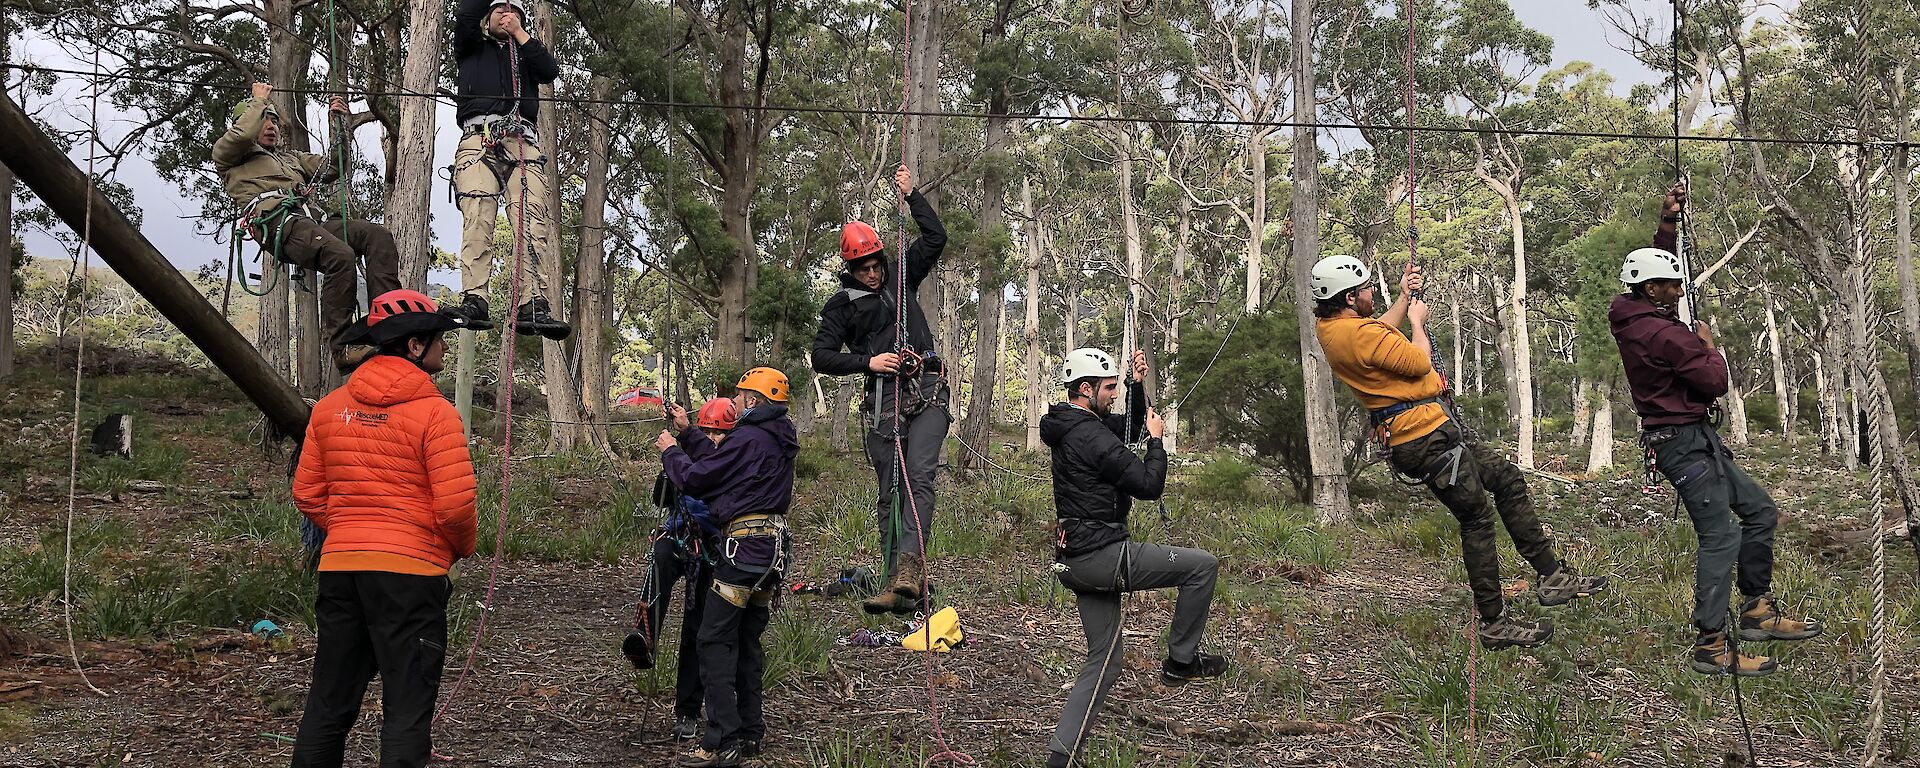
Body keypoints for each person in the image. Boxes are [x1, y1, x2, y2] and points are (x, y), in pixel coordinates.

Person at [1311, 255, 1608, 649]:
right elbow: (1418, 363)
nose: (1370, 294)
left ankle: (1550, 575)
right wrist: (1417, 322)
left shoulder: (1333, 328)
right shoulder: (1358, 334)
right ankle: (1493, 622)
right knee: (1477, 520)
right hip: (1424, 438)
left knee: (1506, 478)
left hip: (1429, 432)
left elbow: (1376, 331)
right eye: (1366, 290)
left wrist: (1402, 299)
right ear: (1350, 298)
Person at [1610, 184, 1822, 676]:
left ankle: (1756, 611)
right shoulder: (1666, 334)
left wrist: (1669, 222)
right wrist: (1707, 345)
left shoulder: (1633, 313)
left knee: (1759, 511)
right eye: (1672, 285)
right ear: (1650, 291)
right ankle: (1710, 645)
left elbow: (1656, 266)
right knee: (1721, 535)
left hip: (1697, 439)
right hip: (1681, 444)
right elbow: (1715, 381)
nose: (1680, 289)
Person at [288, 289, 476, 767]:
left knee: (328, 703)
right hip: (411, 579)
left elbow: (307, 493)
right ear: (413, 346)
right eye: (438, 339)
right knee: (407, 710)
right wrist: (449, 550)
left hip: (341, 573)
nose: (444, 348)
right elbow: (455, 509)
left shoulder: (329, 409)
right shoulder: (436, 414)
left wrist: (353, 531)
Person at [1040, 348, 1225, 768]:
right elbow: (1147, 483)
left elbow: (1123, 428)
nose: (1113, 396)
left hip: (1075, 560)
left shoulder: (1074, 425)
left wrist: (1135, 385)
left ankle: (1060, 758)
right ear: (1086, 390)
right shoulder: (1089, 435)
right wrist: (1158, 441)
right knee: (1202, 565)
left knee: (1105, 658)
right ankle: (1180, 662)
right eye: (1109, 389)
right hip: (1103, 556)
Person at [809, 165, 950, 615]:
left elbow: (936, 239)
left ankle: (910, 570)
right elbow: (821, 356)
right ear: (850, 268)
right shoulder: (842, 305)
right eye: (863, 267)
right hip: (884, 398)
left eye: (876, 264)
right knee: (891, 489)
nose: (872, 273)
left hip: (927, 385)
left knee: (919, 477)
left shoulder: (902, 273)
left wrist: (912, 196)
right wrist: (866, 361)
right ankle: (897, 584)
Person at [656, 368, 798, 767]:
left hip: (744, 551)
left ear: (753, 401)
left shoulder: (750, 437)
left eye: (738, 397)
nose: (734, 403)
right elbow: (725, 466)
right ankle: (750, 732)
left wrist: (671, 451)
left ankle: (724, 737)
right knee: (746, 640)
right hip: (770, 554)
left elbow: (700, 479)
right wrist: (687, 433)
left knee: (714, 640)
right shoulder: (774, 436)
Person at [212, 82, 402, 372]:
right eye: (265, 119)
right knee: (340, 256)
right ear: (249, 121)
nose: (271, 126)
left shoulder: (292, 159)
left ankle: (387, 318)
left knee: (376, 235)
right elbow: (241, 135)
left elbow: (333, 167)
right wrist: (259, 101)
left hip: (311, 221)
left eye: (275, 120)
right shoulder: (230, 156)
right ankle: (342, 348)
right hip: (278, 222)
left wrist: (341, 126)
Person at [442, 0, 570, 340]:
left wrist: (520, 33)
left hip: (523, 142)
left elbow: (549, 70)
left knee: (531, 221)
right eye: (496, 10)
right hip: (480, 139)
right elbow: (466, 14)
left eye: (509, 10)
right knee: (479, 215)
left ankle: (533, 305)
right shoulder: (472, 46)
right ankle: (475, 299)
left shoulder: (525, 55)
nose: (503, 14)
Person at [625, 397, 737, 743]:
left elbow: (711, 475)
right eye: (707, 431)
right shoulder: (691, 449)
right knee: (659, 558)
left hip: (711, 546)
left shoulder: (730, 458)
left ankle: (687, 711)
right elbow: (661, 498)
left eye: (719, 433)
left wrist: (676, 450)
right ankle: (644, 636)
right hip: (679, 534)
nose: (713, 438)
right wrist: (670, 460)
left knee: (696, 629)